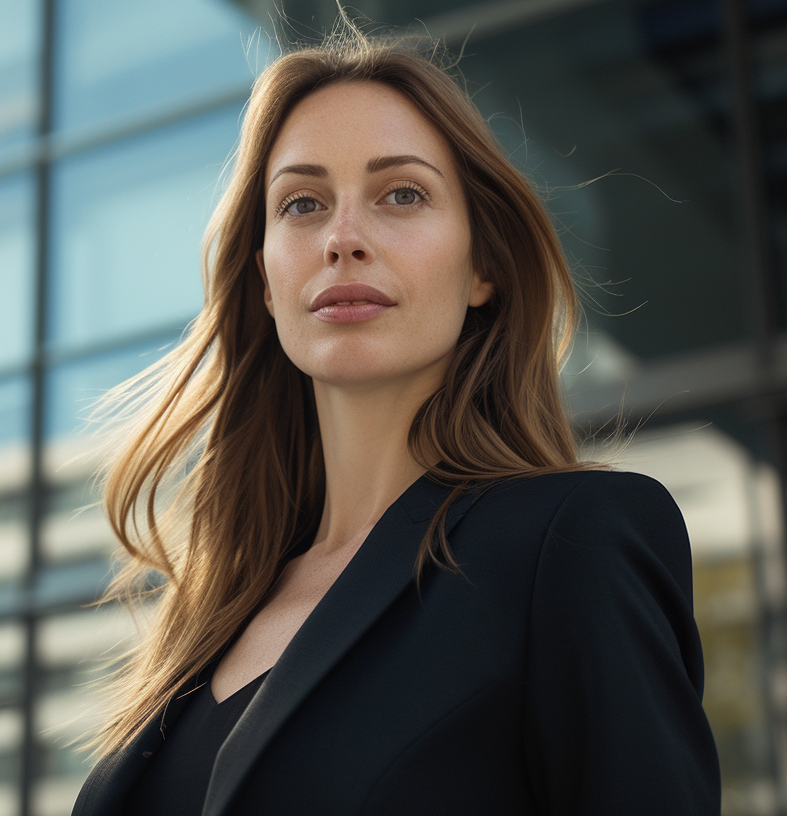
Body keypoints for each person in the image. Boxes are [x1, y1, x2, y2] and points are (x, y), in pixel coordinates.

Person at [69, 23, 721, 816]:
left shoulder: (571, 543)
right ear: (267, 283)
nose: (343, 239)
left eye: (401, 194)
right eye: (303, 203)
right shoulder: (208, 616)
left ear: (483, 266)